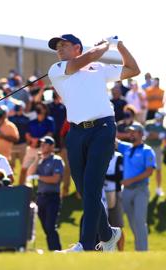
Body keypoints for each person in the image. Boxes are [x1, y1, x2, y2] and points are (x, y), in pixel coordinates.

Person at [47, 34, 140, 252]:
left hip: (103, 129)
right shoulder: (57, 68)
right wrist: (105, 44)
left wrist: (120, 46)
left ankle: (86, 245)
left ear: (77, 47)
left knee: (92, 186)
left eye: (64, 45)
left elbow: (133, 70)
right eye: (57, 47)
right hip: (76, 133)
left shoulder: (98, 68)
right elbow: (85, 58)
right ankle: (109, 234)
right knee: (84, 189)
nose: (59, 49)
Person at [117, 123, 155, 251]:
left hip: (141, 190)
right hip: (126, 191)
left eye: (134, 132)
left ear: (141, 133)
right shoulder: (126, 147)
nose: (130, 134)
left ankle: (142, 252)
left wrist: (130, 180)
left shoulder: (147, 150)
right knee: (128, 222)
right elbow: (113, 141)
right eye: (129, 132)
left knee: (139, 221)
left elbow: (149, 171)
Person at [27, 136, 64, 251]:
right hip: (40, 198)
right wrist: (37, 160)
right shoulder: (41, 160)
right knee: (46, 228)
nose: (42, 146)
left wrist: (39, 177)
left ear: (52, 146)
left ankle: (56, 250)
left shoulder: (56, 160)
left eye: (45, 144)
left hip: (52, 197)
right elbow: (30, 173)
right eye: (41, 144)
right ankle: (53, 250)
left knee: (50, 226)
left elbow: (55, 179)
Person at [104, 150, 125, 251]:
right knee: (103, 226)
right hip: (102, 193)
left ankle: (121, 252)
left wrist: (104, 175)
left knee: (117, 225)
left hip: (115, 193)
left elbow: (120, 176)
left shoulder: (118, 157)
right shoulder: (100, 154)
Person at [144, 110, 166, 196]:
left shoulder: (163, 128)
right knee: (145, 169)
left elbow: (157, 136)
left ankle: (158, 188)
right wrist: (155, 135)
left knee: (158, 169)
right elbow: (146, 135)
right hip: (147, 148)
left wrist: (153, 135)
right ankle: (145, 187)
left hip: (157, 149)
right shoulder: (148, 124)